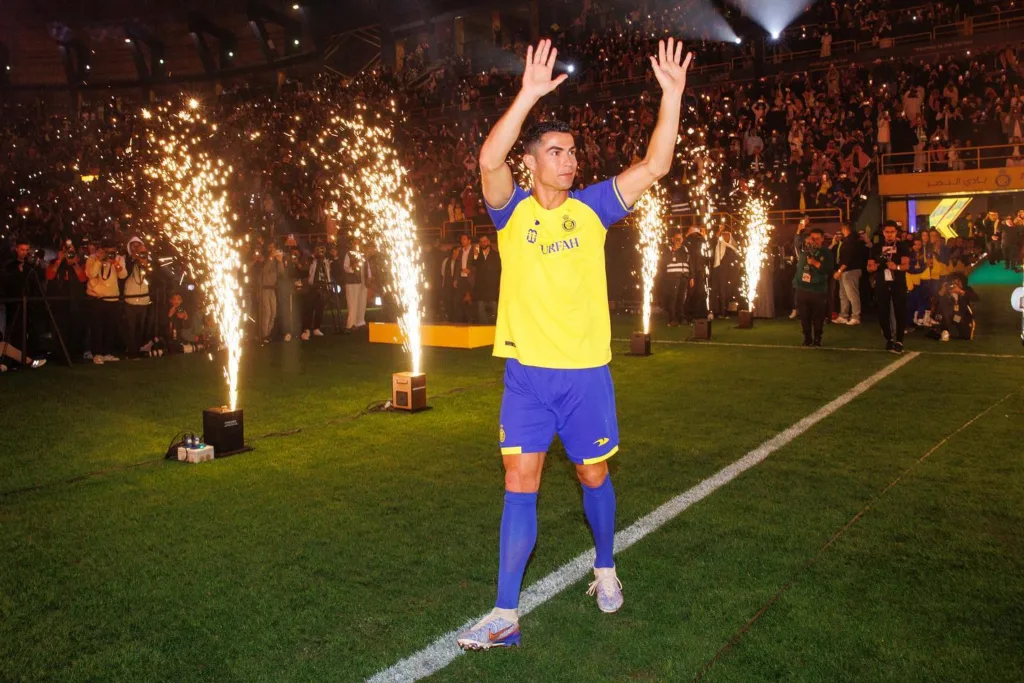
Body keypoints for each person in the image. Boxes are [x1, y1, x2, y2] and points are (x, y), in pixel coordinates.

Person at [456, 37, 692, 650]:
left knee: (592, 475)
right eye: (556, 152)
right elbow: (487, 159)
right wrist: (528, 93)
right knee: (519, 479)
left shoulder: (593, 208)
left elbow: (656, 165)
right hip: (527, 376)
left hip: (585, 375)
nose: (569, 160)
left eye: (572, 151)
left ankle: (606, 567)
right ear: (530, 162)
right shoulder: (509, 213)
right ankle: (505, 614)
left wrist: (672, 97)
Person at [867, 221, 911, 353]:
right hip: (882, 282)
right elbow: (870, 267)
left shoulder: (902, 246)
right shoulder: (876, 247)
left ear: (896, 232)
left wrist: (896, 267)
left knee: (900, 310)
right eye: (887, 232)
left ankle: (899, 340)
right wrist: (874, 267)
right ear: (883, 232)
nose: (890, 234)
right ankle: (888, 338)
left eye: (892, 232)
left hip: (898, 282)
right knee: (882, 311)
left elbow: (906, 265)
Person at [84, 239, 127, 364]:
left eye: (112, 251)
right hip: (96, 298)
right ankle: (96, 353)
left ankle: (107, 352)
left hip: (112, 298)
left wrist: (115, 263)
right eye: (107, 251)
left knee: (110, 327)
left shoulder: (119, 259)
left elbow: (123, 275)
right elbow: (90, 274)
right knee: (97, 327)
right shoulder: (92, 258)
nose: (110, 254)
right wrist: (99, 260)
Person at [794, 228, 834, 347]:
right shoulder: (804, 250)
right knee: (804, 316)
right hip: (802, 288)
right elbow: (796, 243)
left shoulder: (826, 253)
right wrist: (799, 230)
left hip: (818, 290)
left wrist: (816, 263)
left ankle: (817, 338)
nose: (815, 241)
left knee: (818, 316)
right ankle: (807, 338)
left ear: (822, 239)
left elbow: (829, 269)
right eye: (813, 238)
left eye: (817, 239)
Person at [123, 237, 153, 358]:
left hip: (144, 300)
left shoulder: (148, 260)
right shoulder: (126, 259)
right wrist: (133, 259)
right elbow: (124, 274)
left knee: (140, 327)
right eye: (133, 246)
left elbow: (152, 276)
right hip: (130, 299)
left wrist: (144, 261)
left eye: (138, 245)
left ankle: (139, 349)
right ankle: (131, 351)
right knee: (130, 327)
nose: (135, 248)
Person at [833, 223, 864, 325]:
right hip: (846, 270)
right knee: (843, 294)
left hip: (850, 270)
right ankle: (844, 315)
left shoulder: (850, 242)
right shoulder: (849, 241)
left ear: (845, 229)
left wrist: (839, 271)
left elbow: (847, 259)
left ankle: (856, 316)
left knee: (852, 294)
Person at [256, 244, 286, 342]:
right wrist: (270, 258)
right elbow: (264, 271)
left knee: (273, 312)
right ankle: (264, 335)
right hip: (264, 289)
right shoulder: (264, 259)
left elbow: (282, 273)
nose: (274, 250)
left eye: (275, 248)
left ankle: (269, 334)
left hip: (272, 289)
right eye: (272, 248)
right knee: (267, 312)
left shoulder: (276, 261)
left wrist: (280, 261)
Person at [302, 244, 333, 340]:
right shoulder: (311, 260)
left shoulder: (326, 262)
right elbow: (305, 268)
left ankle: (316, 328)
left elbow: (327, 272)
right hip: (313, 286)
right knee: (310, 309)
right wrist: (313, 257)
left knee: (320, 308)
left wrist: (328, 285)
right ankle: (306, 329)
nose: (321, 253)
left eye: (322, 251)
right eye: (319, 251)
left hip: (322, 286)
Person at [935, 275, 979, 341]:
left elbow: (976, 298)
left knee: (966, 335)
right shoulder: (944, 289)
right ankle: (944, 331)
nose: (954, 285)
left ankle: (955, 331)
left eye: (957, 281)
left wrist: (961, 292)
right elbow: (935, 301)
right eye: (952, 282)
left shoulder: (966, 289)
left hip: (958, 316)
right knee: (945, 314)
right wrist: (942, 291)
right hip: (946, 316)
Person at [472, 234, 501, 324]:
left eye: (484, 241)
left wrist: (499, 284)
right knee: (480, 307)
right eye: (481, 242)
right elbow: (474, 265)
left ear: (488, 242)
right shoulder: (478, 255)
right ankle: (484, 326)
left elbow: (500, 270)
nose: (483, 243)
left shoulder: (496, 255)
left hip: (492, 287)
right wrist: (475, 256)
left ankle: (494, 325)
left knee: (494, 307)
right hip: (481, 287)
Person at [710, 228, 739, 318]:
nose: (725, 236)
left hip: (727, 274)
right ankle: (715, 311)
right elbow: (713, 240)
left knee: (724, 292)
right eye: (723, 234)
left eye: (727, 234)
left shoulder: (731, 248)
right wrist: (719, 230)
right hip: (716, 271)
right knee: (715, 291)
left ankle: (724, 312)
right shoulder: (718, 245)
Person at [662, 230, 689, 325]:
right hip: (673, 276)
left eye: (680, 238)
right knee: (673, 297)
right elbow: (664, 261)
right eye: (677, 238)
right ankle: (672, 318)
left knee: (681, 297)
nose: (678, 240)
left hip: (684, 276)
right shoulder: (668, 249)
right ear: (673, 239)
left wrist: (691, 276)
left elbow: (689, 262)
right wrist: (674, 250)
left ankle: (681, 316)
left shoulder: (685, 249)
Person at [342, 239, 369, 332]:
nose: (358, 244)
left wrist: (369, 277)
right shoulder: (349, 254)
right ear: (353, 243)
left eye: (359, 242)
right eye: (356, 242)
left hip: (362, 282)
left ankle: (360, 321)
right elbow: (345, 267)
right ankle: (351, 324)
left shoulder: (363, 254)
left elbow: (367, 267)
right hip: (352, 282)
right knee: (352, 303)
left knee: (362, 302)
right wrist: (352, 268)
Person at [454, 233, 475, 322]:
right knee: (458, 300)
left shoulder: (474, 250)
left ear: (469, 241)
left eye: (464, 239)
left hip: (470, 279)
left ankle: (471, 320)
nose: (462, 241)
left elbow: (478, 264)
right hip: (461, 279)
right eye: (462, 239)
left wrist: (470, 270)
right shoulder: (460, 251)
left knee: (469, 301)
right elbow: (457, 265)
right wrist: (455, 279)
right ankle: (459, 320)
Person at [440, 245, 460, 322]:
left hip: (456, 284)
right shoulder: (446, 261)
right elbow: (443, 273)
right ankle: (449, 317)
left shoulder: (459, 261)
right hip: (448, 283)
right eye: (458, 251)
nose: (459, 252)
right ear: (454, 251)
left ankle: (455, 318)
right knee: (448, 301)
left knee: (455, 301)